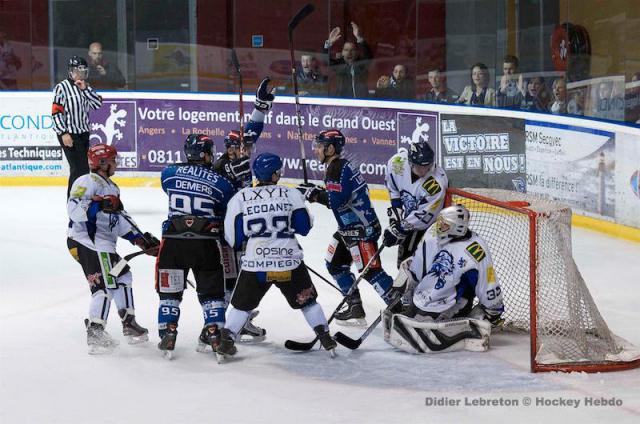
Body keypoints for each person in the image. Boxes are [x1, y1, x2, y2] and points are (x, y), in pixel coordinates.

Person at [216, 153, 337, 360]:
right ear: (275, 174)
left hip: (256, 264)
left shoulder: (240, 197)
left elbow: (233, 238)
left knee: (241, 306)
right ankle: (326, 338)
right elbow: (304, 227)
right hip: (289, 262)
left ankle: (226, 342)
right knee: (308, 302)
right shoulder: (290, 194)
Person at [296, 129, 398, 326]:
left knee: (370, 271)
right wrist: (316, 191)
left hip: (361, 230)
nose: (316, 150)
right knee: (334, 264)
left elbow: (337, 201)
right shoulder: (339, 166)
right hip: (350, 229)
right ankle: (355, 307)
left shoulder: (336, 168)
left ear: (331, 148)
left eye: (319, 146)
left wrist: (313, 195)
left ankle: (398, 308)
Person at [67, 144, 157, 354]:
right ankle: (96, 331)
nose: (117, 164)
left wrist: (140, 239)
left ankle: (129, 322)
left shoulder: (113, 187)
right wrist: (98, 205)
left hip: (103, 245)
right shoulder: (85, 181)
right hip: (85, 242)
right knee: (104, 285)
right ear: (102, 163)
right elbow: (73, 210)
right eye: (114, 160)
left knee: (122, 275)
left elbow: (119, 220)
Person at [155, 134, 239, 358]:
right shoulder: (221, 183)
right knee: (212, 294)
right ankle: (214, 333)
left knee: (169, 294)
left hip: (173, 243)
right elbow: (228, 206)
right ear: (206, 154)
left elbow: (171, 189)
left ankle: (168, 332)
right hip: (206, 243)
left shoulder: (168, 173)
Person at [383, 204, 504, 354]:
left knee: (416, 325)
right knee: (406, 320)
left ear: (457, 228)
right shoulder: (433, 232)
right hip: (423, 296)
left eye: (444, 225)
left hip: (450, 303)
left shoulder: (475, 251)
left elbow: (487, 280)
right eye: (440, 222)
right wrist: (404, 283)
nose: (439, 226)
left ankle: (458, 321)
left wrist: (493, 308)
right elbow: (418, 262)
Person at [382, 141, 448, 268]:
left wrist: (398, 229)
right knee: (403, 265)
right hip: (411, 218)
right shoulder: (397, 163)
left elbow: (424, 217)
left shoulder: (436, 183)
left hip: (433, 226)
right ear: (410, 163)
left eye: (427, 166)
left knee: (423, 266)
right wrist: (396, 214)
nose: (424, 171)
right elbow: (394, 189)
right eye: (420, 167)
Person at [52, 55, 103, 198]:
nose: (80, 74)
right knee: (78, 169)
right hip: (69, 134)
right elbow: (56, 113)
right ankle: (73, 200)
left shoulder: (86, 87)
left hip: (84, 133)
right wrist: (63, 133)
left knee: (84, 169)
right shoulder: (61, 88)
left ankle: (80, 197)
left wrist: (85, 89)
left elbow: (97, 104)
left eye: (83, 71)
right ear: (71, 71)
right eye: (78, 71)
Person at [213, 77, 275, 189]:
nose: (249, 152)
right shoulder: (220, 167)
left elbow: (253, 129)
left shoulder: (239, 160)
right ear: (231, 150)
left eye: (249, 148)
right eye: (245, 148)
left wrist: (260, 108)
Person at [323, 22, 372, 98]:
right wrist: (329, 42)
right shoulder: (339, 64)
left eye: (352, 50)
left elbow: (369, 57)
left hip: (361, 101)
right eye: (346, 50)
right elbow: (325, 60)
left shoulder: (361, 64)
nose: (349, 53)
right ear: (342, 52)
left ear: (357, 52)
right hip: (342, 102)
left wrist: (359, 37)